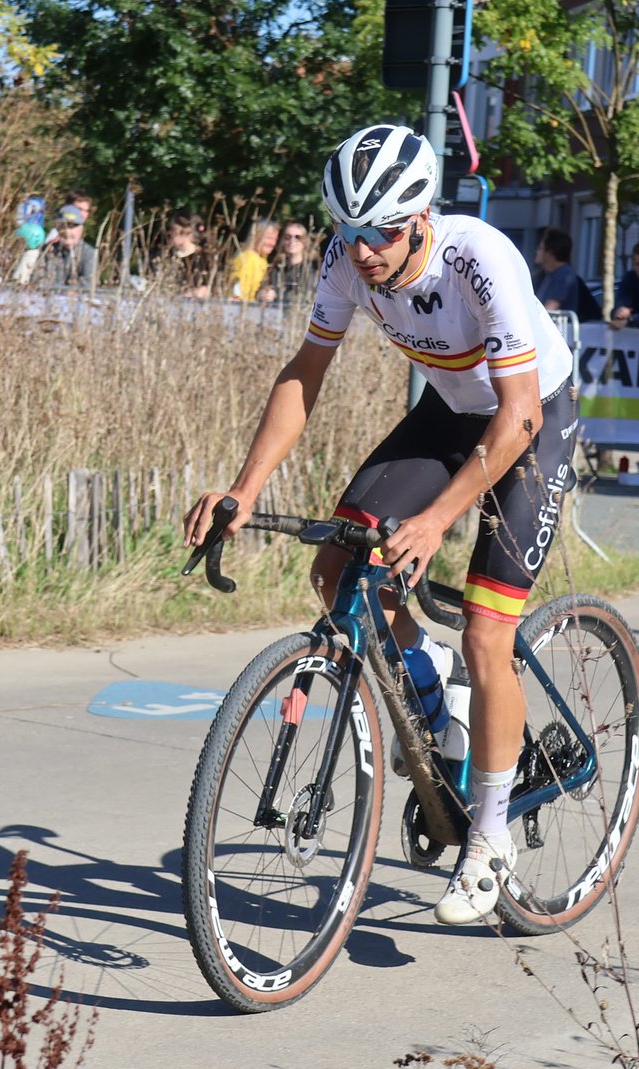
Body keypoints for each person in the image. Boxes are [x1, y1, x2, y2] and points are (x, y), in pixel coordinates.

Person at [184, 124, 577, 927]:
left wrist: (435, 520)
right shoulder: (343, 260)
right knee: (336, 570)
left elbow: (518, 416)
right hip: (451, 412)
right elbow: (307, 372)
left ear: (422, 217)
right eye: (349, 230)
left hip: (530, 420)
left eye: (382, 233)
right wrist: (245, 488)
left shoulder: (478, 258)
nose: (362, 250)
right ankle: (435, 696)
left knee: (487, 632)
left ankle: (489, 837)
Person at [33, 203, 97, 292]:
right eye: (62, 226)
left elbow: (87, 286)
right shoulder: (46, 251)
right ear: (57, 228)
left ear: (81, 229)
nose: (67, 231)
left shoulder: (89, 254)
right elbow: (37, 282)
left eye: (72, 226)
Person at [151, 210, 212, 296]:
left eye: (173, 230)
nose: (169, 233)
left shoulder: (204, 259)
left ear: (186, 232)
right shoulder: (166, 257)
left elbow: (206, 289)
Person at [259, 219, 314, 306]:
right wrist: (262, 294)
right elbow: (261, 289)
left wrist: (276, 295)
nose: (292, 241)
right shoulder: (275, 268)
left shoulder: (310, 270)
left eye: (297, 237)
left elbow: (306, 297)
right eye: (288, 237)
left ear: (304, 241)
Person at [229, 219, 280, 302]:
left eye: (275, 239)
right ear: (256, 236)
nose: (272, 243)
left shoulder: (262, 260)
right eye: (269, 238)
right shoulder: (247, 258)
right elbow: (237, 292)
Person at [532, 228, 581, 313]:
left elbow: (550, 308)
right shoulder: (544, 275)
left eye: (540, 248)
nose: (537, 252)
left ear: (549, 253)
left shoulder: (564, 275)